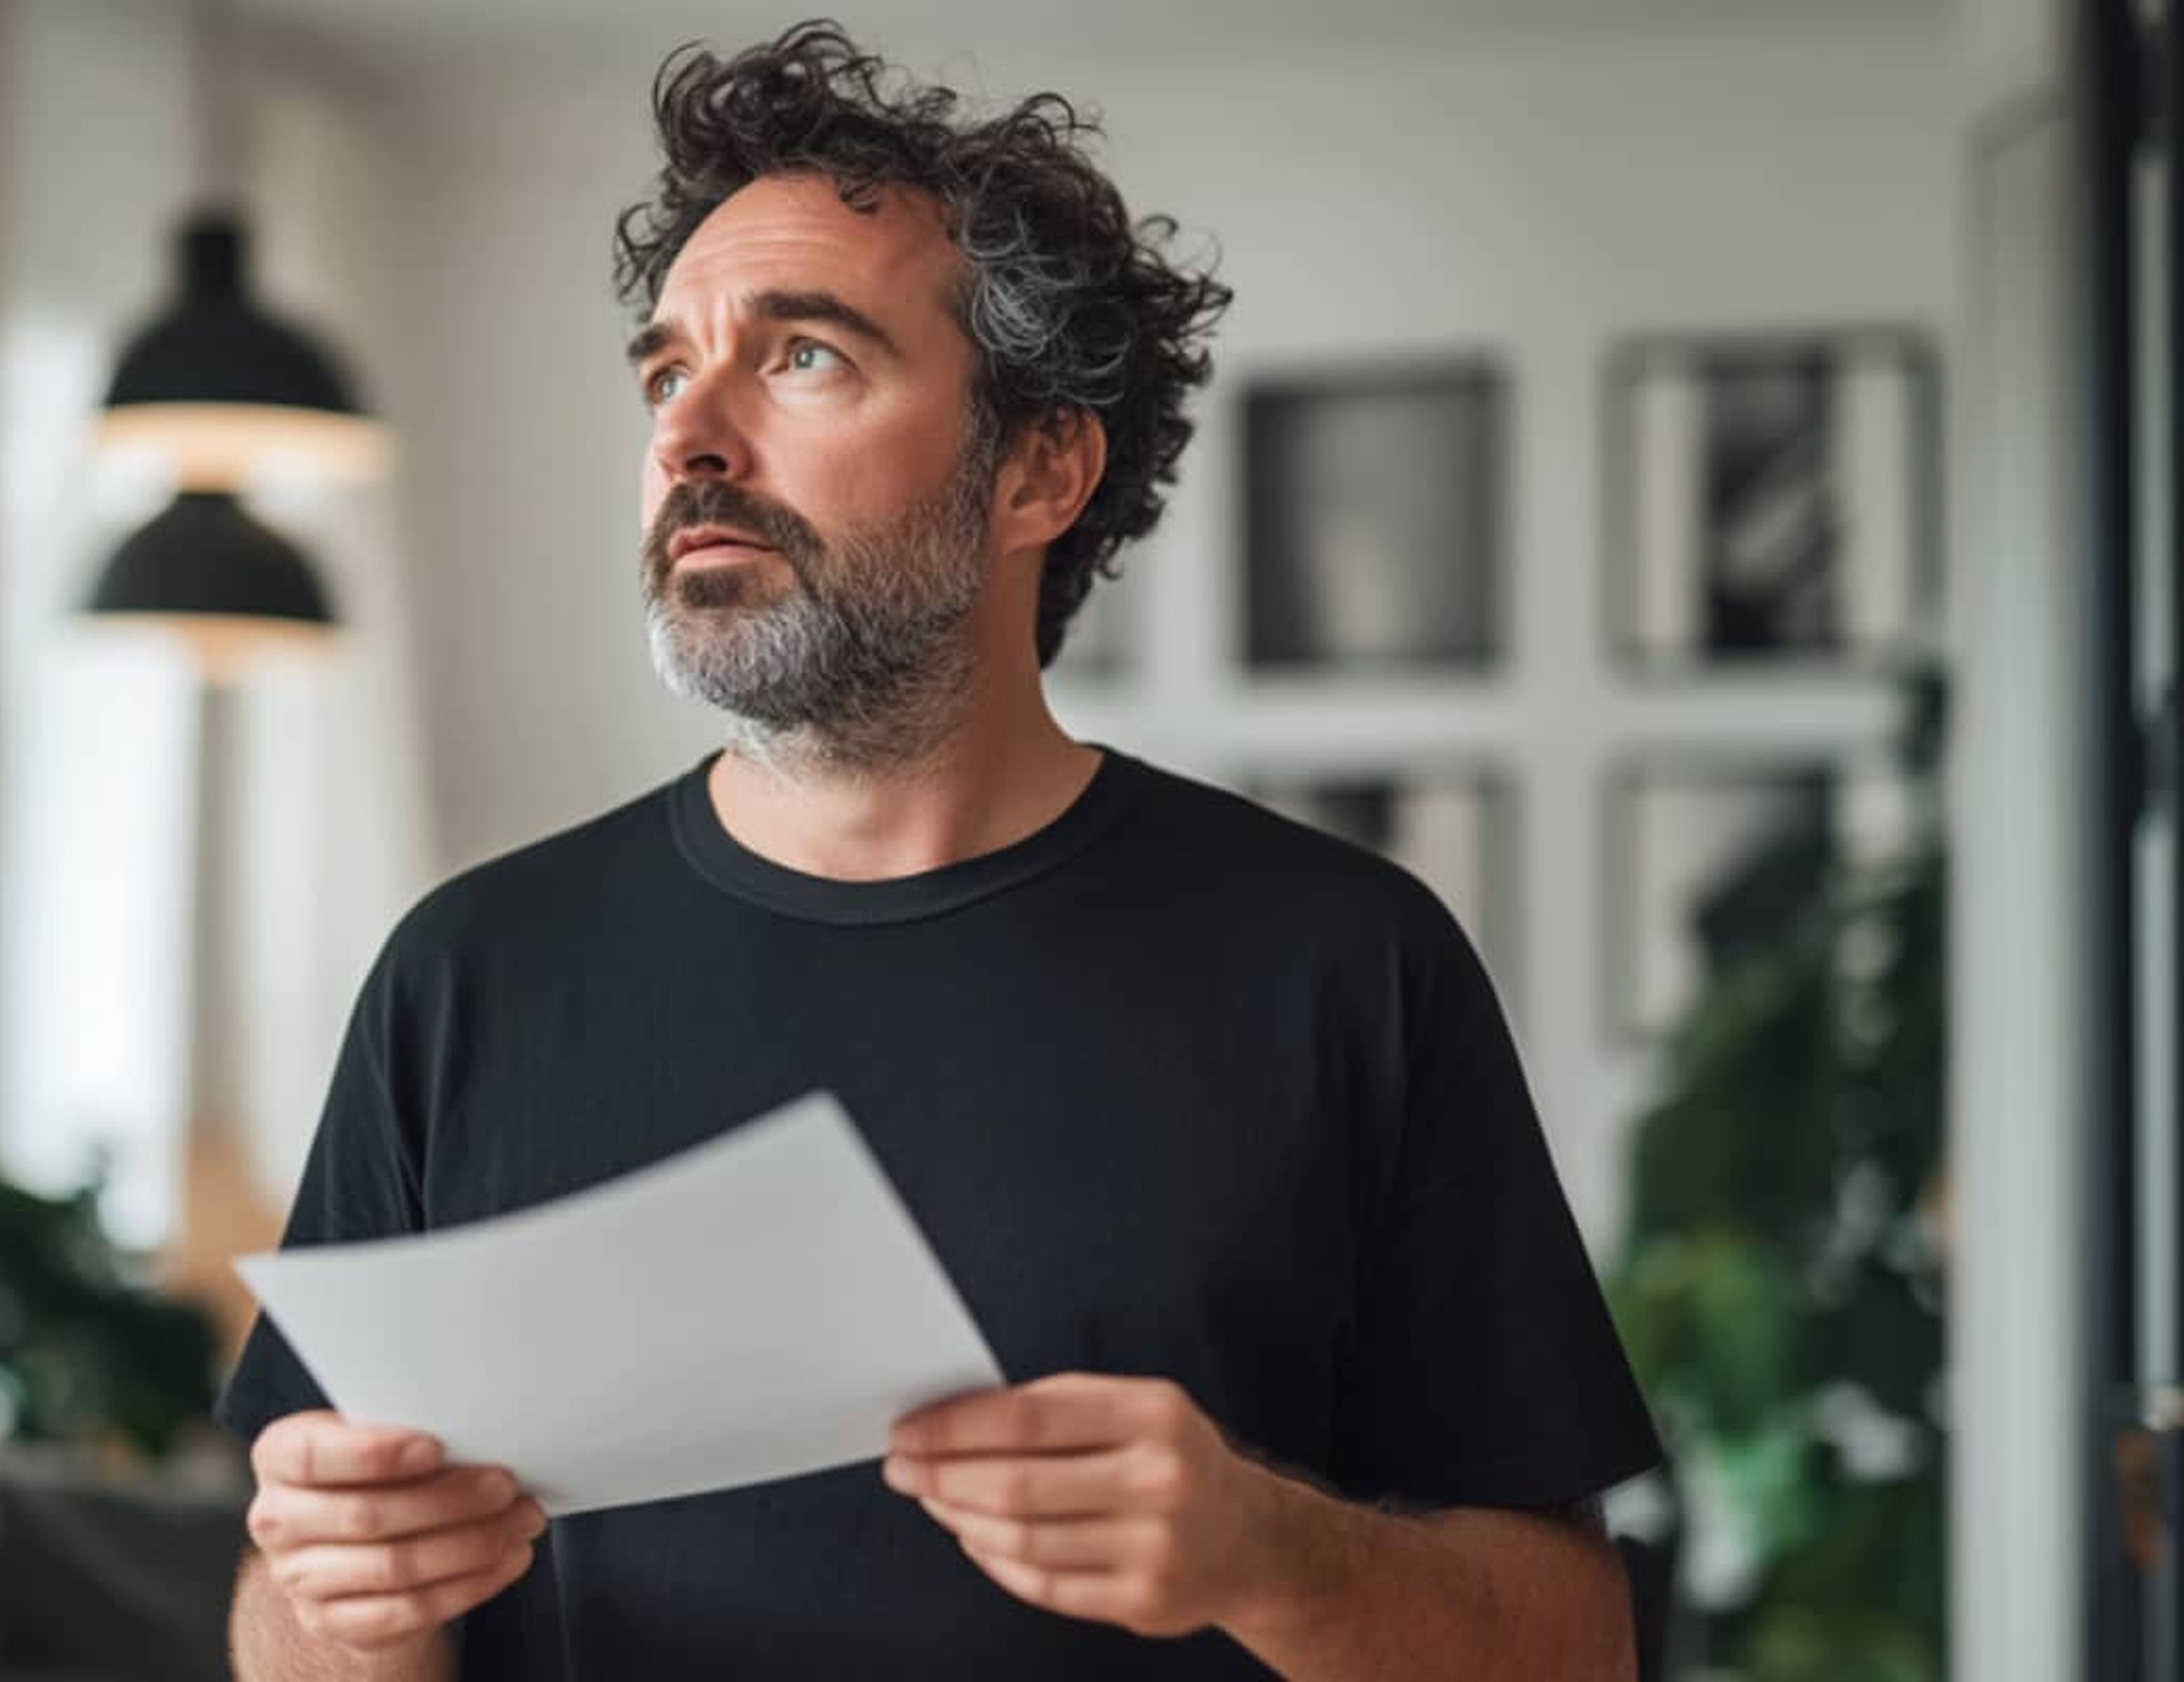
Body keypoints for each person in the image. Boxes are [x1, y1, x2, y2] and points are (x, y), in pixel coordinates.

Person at [215, 20, 1663, 1680]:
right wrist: (341, 1606)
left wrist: (1276, 1555)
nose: (693, 434)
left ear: (1040, 466)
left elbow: (1578, 1649)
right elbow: (288, 1629)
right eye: (667, 370)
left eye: (803, 356)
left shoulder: (1346, 960)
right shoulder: (467, 975)